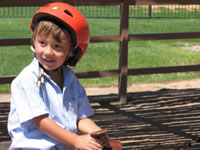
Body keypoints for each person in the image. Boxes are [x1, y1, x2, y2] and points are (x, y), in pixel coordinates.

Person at [7, 2, 110, 150]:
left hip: (63, 146)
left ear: (72, 52)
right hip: (34, 146)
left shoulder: (70, 79)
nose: (48, 52)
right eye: (42, 43)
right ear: (33, 41)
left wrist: (96, 133)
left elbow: (80, 117)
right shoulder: (27, 79)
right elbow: (41, 121)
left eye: (57, 46)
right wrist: (76, 140)